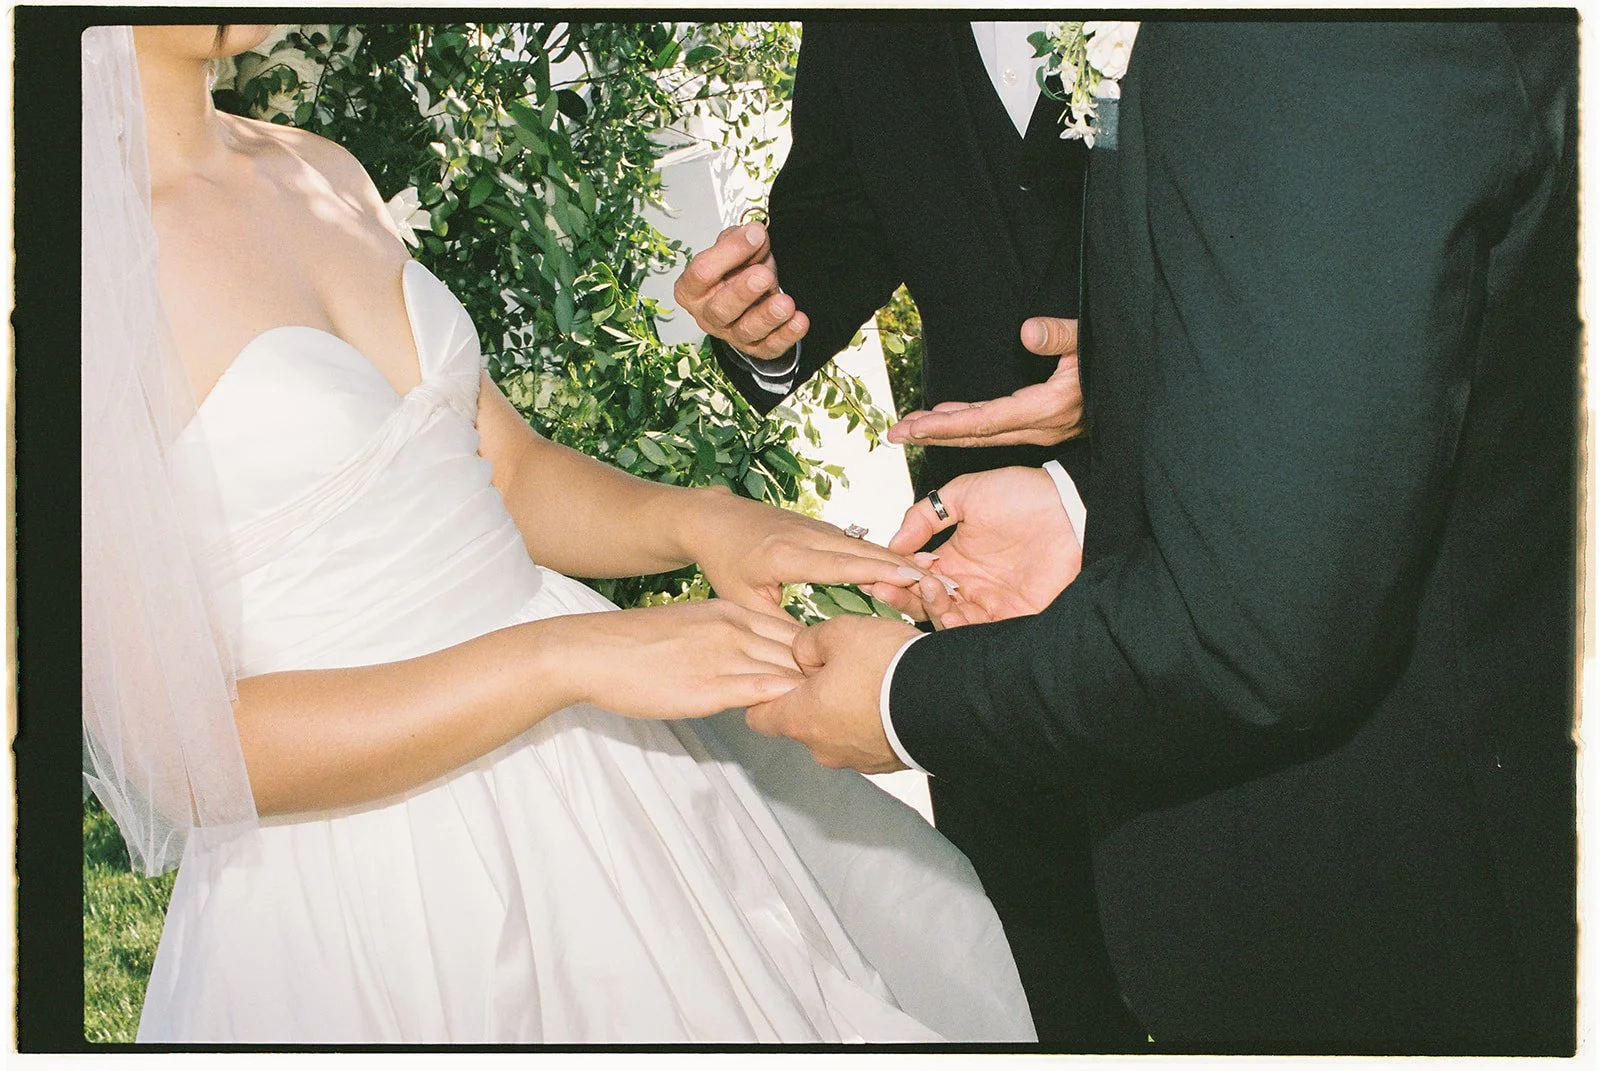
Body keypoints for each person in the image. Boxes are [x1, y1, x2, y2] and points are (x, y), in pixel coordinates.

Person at [80, 24, 1037, 1044]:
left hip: (603, 783)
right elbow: (181, 760)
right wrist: (568, 658)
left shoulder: (315, 168)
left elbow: (504, 469)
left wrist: (707, 521)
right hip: (381, 884)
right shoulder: (69, 265)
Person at [745, 20, 1580, 1056]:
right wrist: (1077, 501)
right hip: (1050, 591)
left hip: (1348, 848)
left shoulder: (1301, 44)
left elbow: (1262, 630)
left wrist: (896, 701)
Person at [671, 21, 1139, 1048]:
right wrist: (759, 319)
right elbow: (837, 218)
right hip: (976, 569)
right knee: (1048, 949)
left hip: (1214, 513)